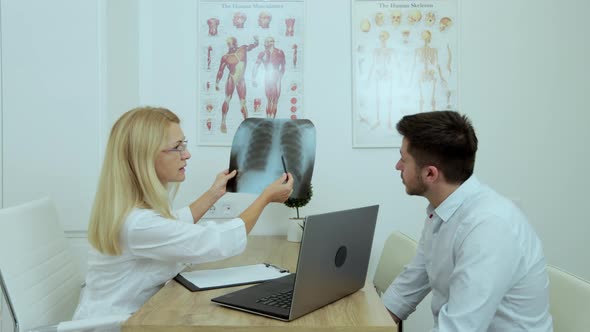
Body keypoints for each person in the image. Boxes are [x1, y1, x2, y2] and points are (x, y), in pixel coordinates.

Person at [73, 106, 293, 319]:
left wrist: (214, 193)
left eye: (184, 144)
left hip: (143, 313)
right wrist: (265, 198)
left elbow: (173, 224)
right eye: (177, 147)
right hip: (121, 324)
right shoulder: (137, 223)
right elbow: (218, 242)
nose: (186, 154)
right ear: (145, 156)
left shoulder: (131, 211)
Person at [383, 111, 553, 331]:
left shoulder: (489, 227)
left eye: (403, 159)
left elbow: (459, 328)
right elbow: (410, 284)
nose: (398, 166)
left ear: (430, 174)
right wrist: (368, 324)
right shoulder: (442, 210)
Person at [216, 36, 259, 133]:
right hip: (232, 77)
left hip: (241, 79)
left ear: (235, 43)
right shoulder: (226, 57)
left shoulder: (242, 49)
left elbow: (251, 46)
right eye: (228, 44)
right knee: (227, 99)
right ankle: (223, 122)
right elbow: (220, 71)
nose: (230, 45)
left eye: (231, 43)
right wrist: (217, 82)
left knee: (243, 102)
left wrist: (256, 42)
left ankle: (247, 123)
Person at [252, 37, 285, 119]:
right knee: (269, 99)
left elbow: (283, 66)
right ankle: (268, 118)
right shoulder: (262, 53)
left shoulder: (279, 52)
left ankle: (272, 118)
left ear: (273, 42)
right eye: (267, 41)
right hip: (268, 76)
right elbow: (256, 66)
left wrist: (280, 75)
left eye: (270, 41)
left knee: (275, 99)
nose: (268, 43)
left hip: (276, 75)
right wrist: (253, 78)